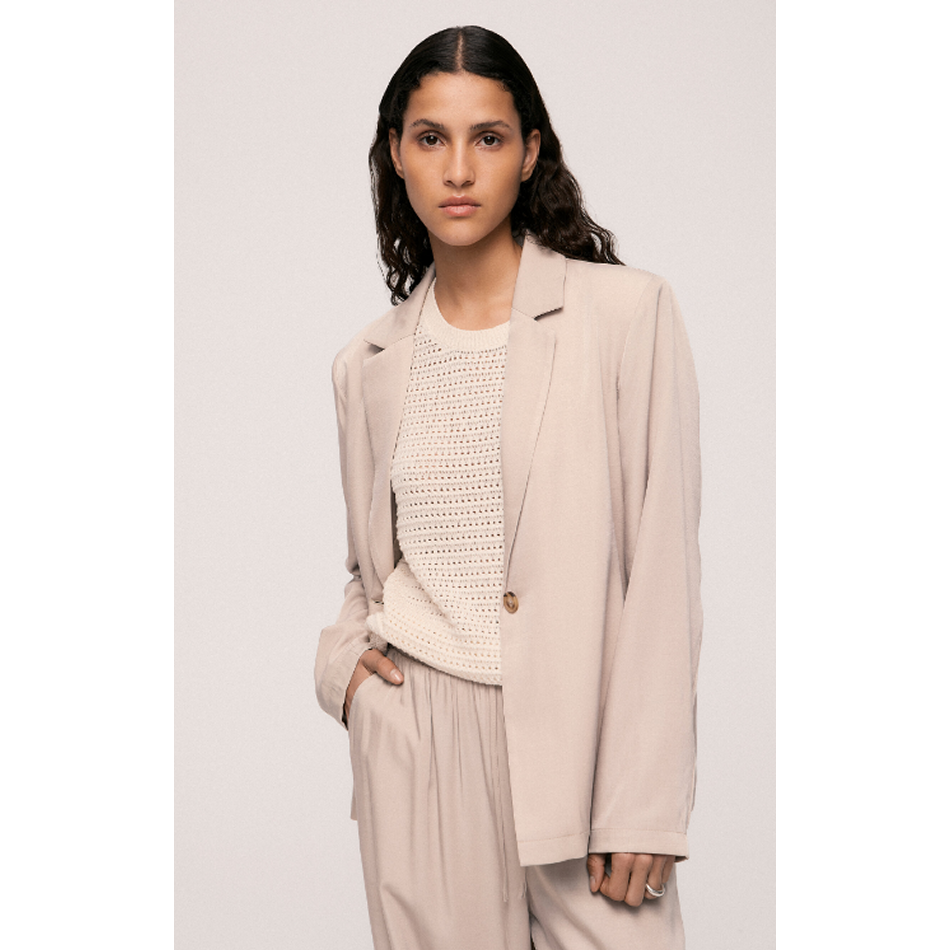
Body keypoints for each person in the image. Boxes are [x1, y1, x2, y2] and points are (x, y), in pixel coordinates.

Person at [314, 24, 702, 950]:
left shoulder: (626, 315)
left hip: (582, 749)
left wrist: (644, 800)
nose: (458, 169)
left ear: (529, 153)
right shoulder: (367, 364)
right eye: (430, 138)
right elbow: (372, 571)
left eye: (487, 137)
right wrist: (344, 672)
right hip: (419, 748)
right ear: (396, 155)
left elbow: (662, 567)